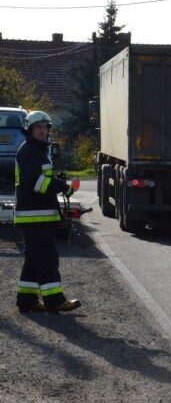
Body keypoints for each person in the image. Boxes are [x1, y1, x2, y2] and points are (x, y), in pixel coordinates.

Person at [14, 111, 82, 314]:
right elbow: (37, 183)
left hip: (37, 216)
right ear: (29, 129)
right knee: (47, 259)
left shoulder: (36, 150)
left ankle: (26, 302)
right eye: (38, 127)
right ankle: (55, 301)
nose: (43, 131)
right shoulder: (29, 152)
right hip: (34, 217)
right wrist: (62, 186)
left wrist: (58, 184)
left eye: (45, 127)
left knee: (34, 260)